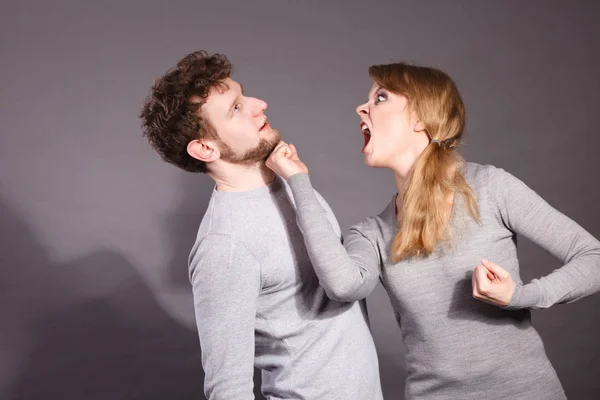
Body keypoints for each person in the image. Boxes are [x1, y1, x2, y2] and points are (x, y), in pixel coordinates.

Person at [266, 62, 600, 400]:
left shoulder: (490, 188)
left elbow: (593, 258)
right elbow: (343, 285)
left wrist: (521, 296)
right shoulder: (372, 233)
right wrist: (298, 182)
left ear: (421, 118)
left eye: (380, 98)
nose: (361, 108)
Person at [138, 50, 382, 400]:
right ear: (205, 148)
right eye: (236, 108)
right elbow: (228, 390)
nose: (260, 104)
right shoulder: (224, 245)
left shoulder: (290, 180)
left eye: (244, 94)